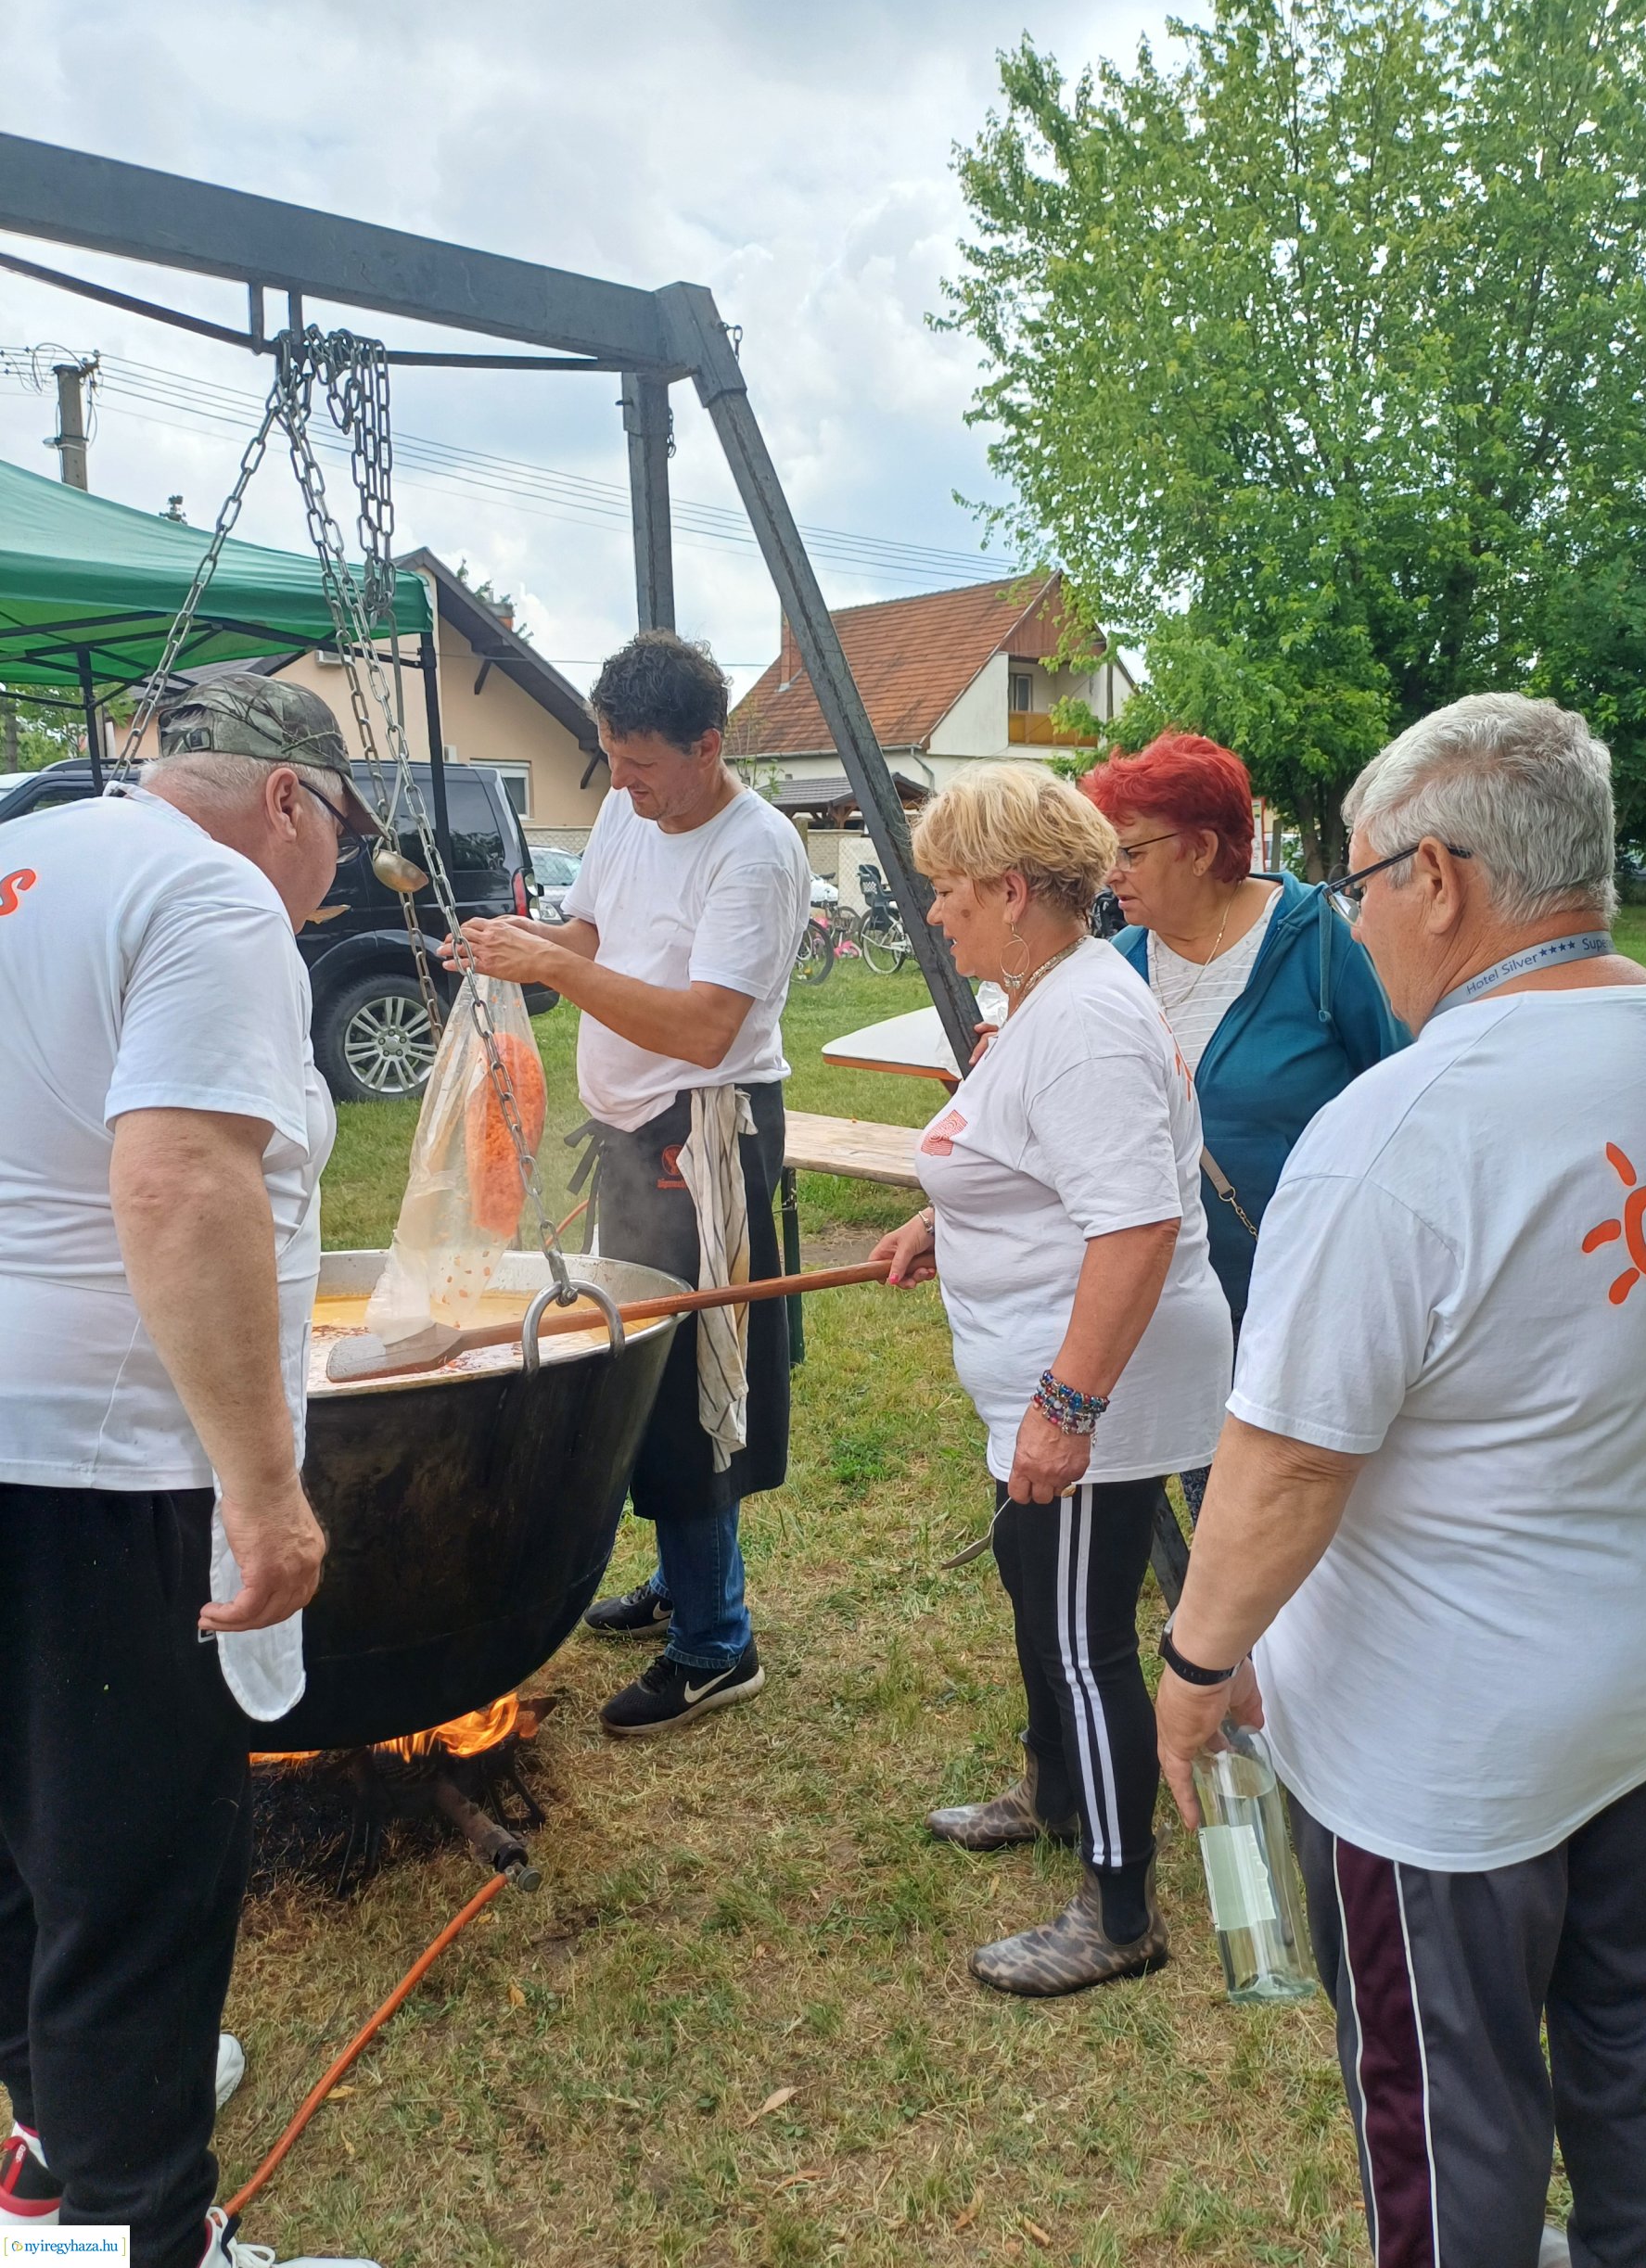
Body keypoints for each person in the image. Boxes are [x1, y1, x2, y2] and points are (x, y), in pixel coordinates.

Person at [1155, 694, 1646, 2268]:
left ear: (1436, 878)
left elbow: (1287, 1461)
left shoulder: (1401, 1129)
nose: (1355, 923)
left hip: (1442, 1742)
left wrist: (1198, 1665)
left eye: (1360, 884)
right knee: (1642, 2018)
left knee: (1448, 2095)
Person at [0, 674, 385, 2268]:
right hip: (106, 1465)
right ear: (287, 799)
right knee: (136, 1883)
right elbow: (176, 1180)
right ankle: (142, 2237)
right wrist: (265, 1489)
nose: (335, 879)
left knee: (21, 1845)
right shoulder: (212, 895)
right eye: (341, 835)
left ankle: (56, 2139)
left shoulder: (22, 860)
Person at [872, 765, 1231, 1995]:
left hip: (1099, 1384)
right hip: (1047, 1372)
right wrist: (945, 1223)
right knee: (1038, 1585)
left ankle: (1120, 1910)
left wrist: (1068, 1408)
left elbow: (1134, 1226)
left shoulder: (1082, 1022)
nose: (936, 911)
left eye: (949, 889)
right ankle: (1054, 1790)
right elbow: (1035, 1162)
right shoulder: (1046, 996)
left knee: (1084, 1638)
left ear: (1014, 891)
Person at [457, 631, 807, 1739]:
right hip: (629, 1128)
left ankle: (716, 1642)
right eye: (610, 756)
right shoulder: (630, 807)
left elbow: (707, 1029)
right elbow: (591, 930)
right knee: (642, 1363)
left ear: (708, 746)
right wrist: (524, 940)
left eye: (641, 762)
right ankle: (685, 1580)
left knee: (696, 1381)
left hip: (702, 1132)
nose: (621, 782)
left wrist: (558, 967)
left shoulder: (756, 853)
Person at [1079, 732, 1404, 1537]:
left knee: (1315, 1520)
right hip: (1178, 1304)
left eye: (1129, 852)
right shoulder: (1117, 964)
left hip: (1309, 1298)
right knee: (1220, 1512)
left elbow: (1403, 1094)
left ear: (1201, 850)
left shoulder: (1321, 942)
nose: (1111, 873)